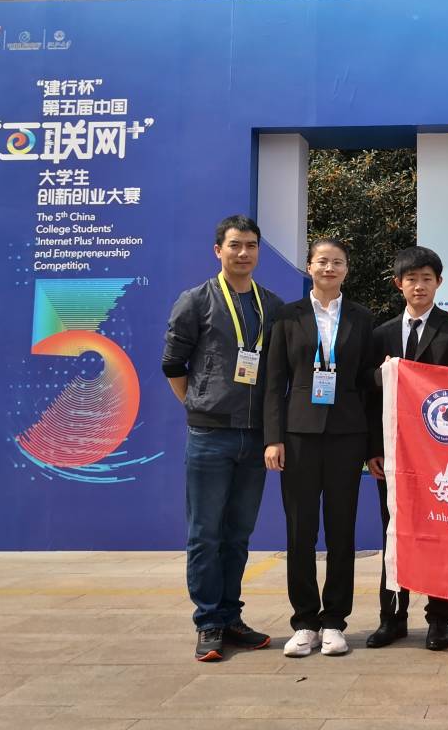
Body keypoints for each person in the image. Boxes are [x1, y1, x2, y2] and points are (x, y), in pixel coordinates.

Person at [161, 214, 283, 662]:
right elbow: (173, 365)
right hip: (210, 436)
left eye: (251, 245)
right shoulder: (196, 301)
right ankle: (209, 622)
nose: (243, 253)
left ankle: (231, 616)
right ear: (219, 251)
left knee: (238, 534)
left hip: (255, 437)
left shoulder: (272, 305)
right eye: (235, 245)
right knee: (205, 534)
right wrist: (199, 406)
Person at [263, 238, 377, 659]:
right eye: (322, 261)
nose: (330, 268)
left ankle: (334, 622)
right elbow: (274, 381)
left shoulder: (362, 318)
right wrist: (273, 437)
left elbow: (368, 385)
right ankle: (305, 622)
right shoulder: (286, 316)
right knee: (300, 531)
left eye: (338, 262)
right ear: (309, 266)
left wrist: (372, 443)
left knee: (342, 530)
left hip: (347, 434)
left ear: (347, 269)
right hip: (298, 436)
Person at [367, 246, 448, 651]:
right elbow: (368, 395)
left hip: (441, 456)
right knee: (394, 534)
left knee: (440, 535)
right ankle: (392, 618)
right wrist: (373, 449)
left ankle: (439, 620)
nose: (419, 286)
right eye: (411, 279)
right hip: (393, 455)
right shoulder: (382, 334)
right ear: (399, 284)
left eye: (427, 278)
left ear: (439, 283)